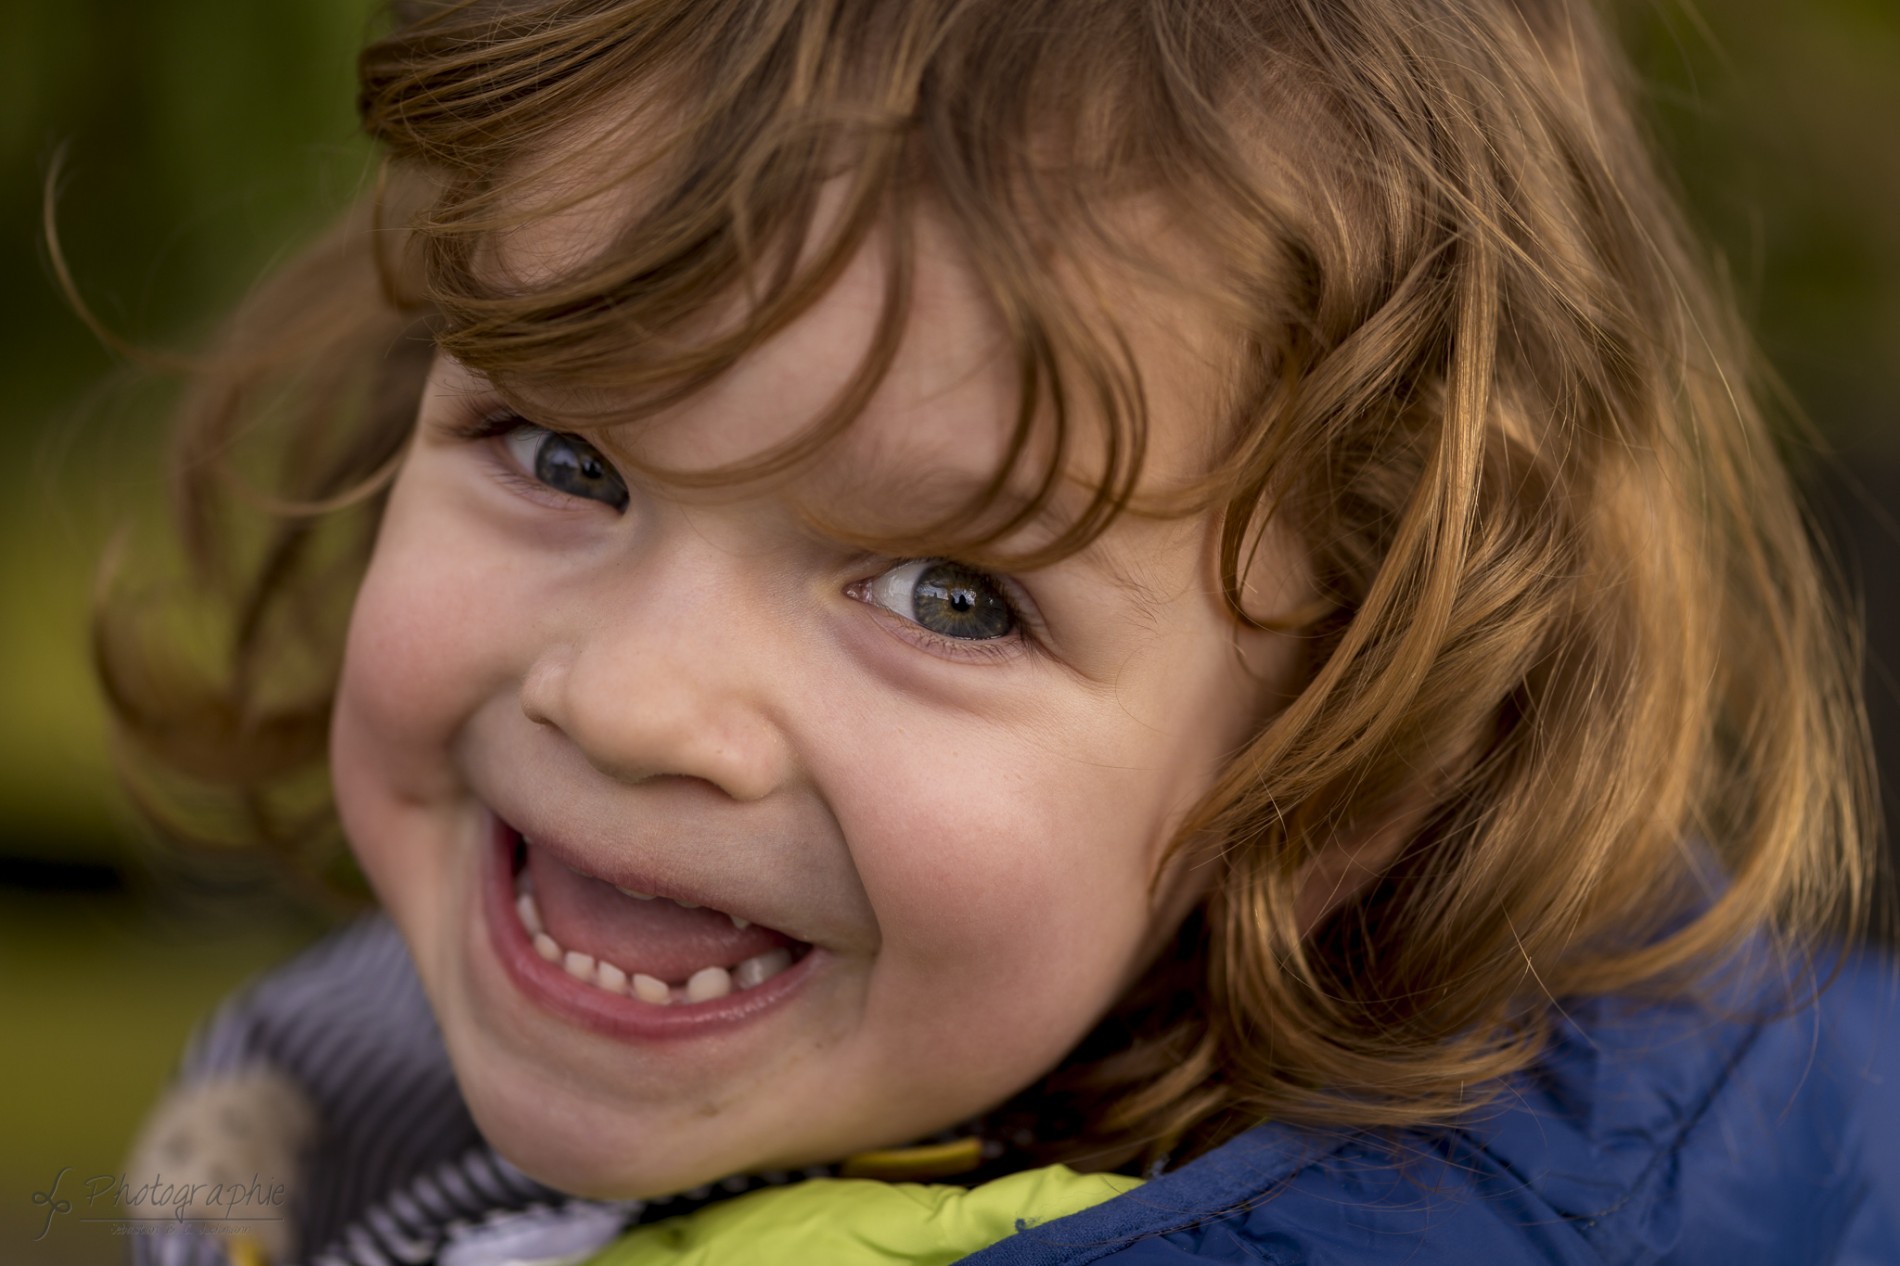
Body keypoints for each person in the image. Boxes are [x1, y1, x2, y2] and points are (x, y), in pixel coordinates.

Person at [93, 0, 1898, 1262]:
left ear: (1340, 762)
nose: (641, 704)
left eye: (949, 597)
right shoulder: (357, 1079)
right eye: (563, 453)